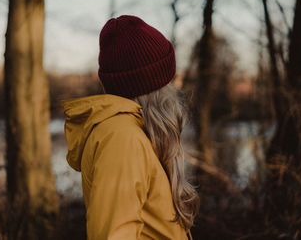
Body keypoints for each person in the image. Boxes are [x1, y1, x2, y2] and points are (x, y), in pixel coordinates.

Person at [62, 15, 199, 240]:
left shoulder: (132, 132)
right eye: (168, 80)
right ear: (155, 86)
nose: (173, 87)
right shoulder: (122, 138)